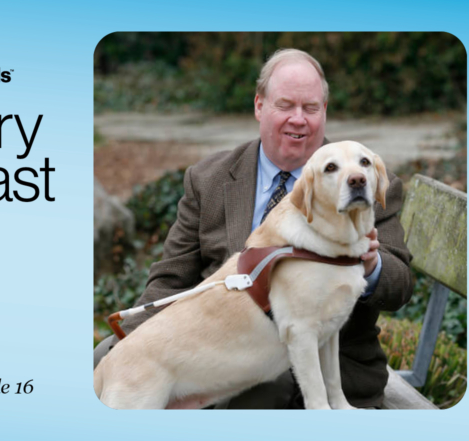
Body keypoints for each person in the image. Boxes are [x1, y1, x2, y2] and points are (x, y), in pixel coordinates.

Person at [94, 49, 413, 409]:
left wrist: (369, 266)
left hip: (319, 370)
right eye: (285, 105)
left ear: (325, 111)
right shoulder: (208, 179)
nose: (299, 119)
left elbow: (401, 284)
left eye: (310, 108)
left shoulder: (363, 181)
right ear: (259, 106)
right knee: (108, 358)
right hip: (218, 345)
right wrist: (139, 344)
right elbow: (171, 277)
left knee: (258, 394)